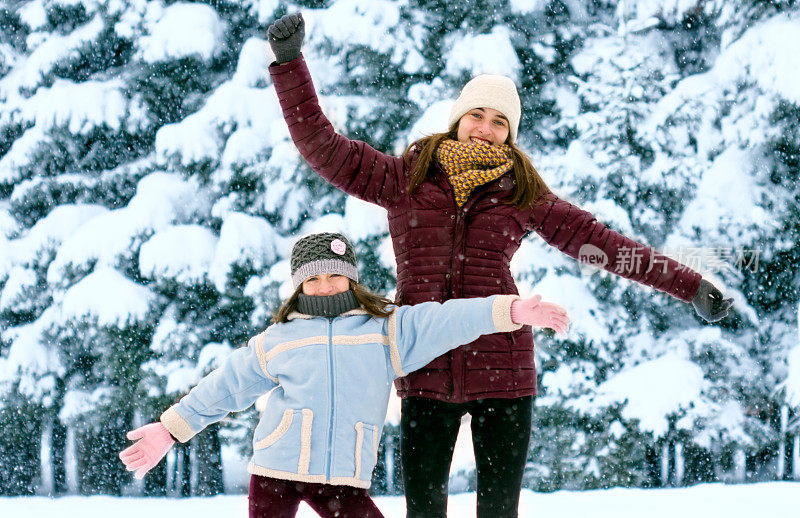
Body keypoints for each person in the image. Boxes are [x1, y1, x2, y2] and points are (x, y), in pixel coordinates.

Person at [265, 13, 733, 518]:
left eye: (500, 122)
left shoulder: (522, 194)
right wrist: (291, 66)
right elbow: (323, 147)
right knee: (423, 510)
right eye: (477, 116)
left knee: (497, 512)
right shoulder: (404, 180)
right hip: (422, 364)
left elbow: (600, 243)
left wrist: (690, 286)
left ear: (510, 134)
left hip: (503, 370)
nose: (485, 130)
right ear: (458, 119)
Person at [119, 232, 570, 518]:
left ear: (351, 279)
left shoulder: (387, 330)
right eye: (313, 280)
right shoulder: (279, 339)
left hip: (341, 476)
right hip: (275, 469)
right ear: (299, 286)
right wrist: (171, 429)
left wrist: (510, 310)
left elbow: (447, 320)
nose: (325, 285)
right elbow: (226, 386)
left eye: (335, 275)